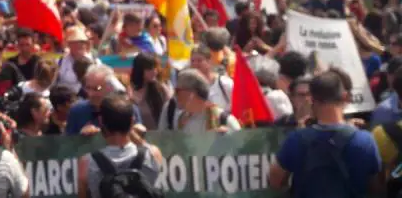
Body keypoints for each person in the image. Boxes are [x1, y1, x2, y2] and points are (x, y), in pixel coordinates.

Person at [269, 69, 383, 197]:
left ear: (312, 100)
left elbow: (275, 181)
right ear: (345, 97)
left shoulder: (296, 139)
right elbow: (376, 188)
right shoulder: (365, 140)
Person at [78, 95, 161, 198]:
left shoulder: (86, 163)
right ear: (132, 121)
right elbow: (146, 146)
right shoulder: (153, 154)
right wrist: (132, 130)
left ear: (101, 121)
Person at [157, 68, 241, 133]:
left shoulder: (224, 119)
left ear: (191, 94)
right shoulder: (180, 121)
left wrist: (229, 137)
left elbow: (242, 148)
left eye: (178, 91)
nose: (175, 95)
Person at [66, 65, 142, 135]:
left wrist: (136, 131)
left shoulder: (128, 109)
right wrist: (81, 138)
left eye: (97, 89)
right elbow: (67, 144)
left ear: (111, 88)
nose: (90, 94)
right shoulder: (77, 111)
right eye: (88, 88)